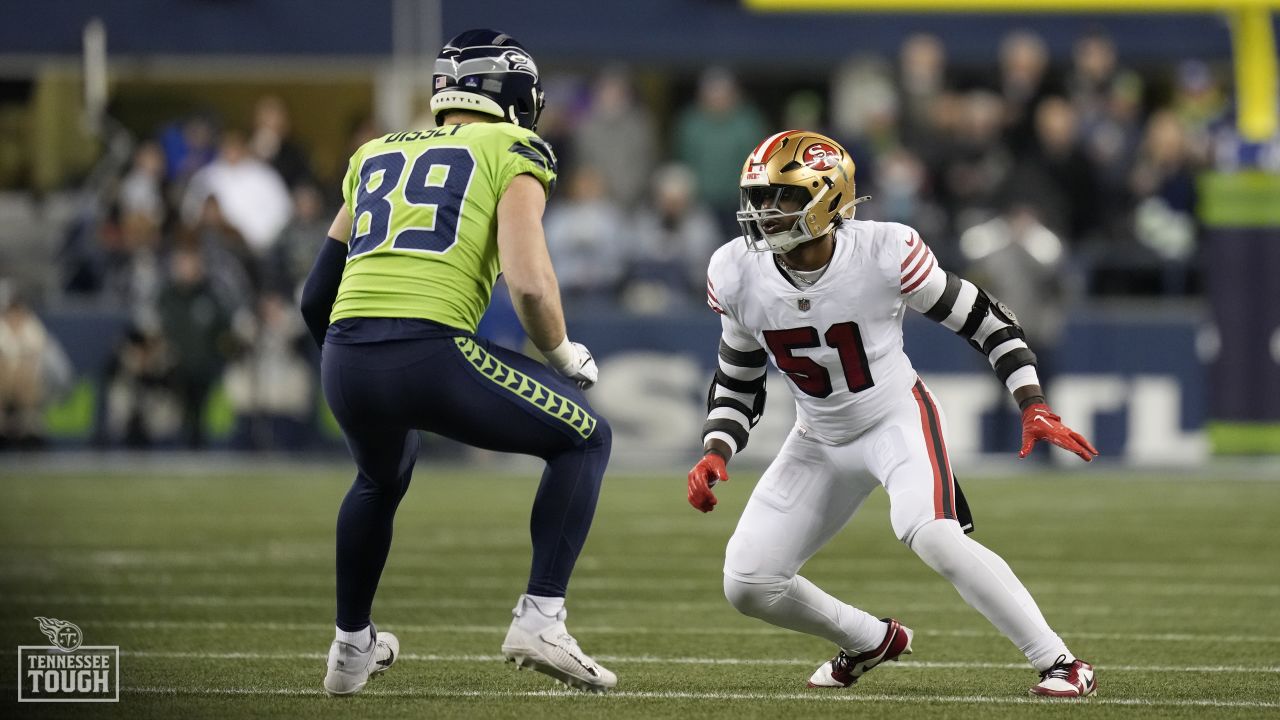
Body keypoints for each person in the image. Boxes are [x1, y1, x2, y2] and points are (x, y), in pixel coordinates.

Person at [685, 130, 1099, 698]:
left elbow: (984, 318)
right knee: (748, 583)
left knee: (933, 535)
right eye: (757, 197)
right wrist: (716, 449)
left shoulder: (883, 250)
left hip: (893, 419)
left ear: (827, 199)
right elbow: (738, 374)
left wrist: (1032, 402)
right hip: (816, 436)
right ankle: (869, 639)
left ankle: (1062, 662)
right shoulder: (736, 270)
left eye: (780, 197)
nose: (763, 212)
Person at [299, 29, 616, 696]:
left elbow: (313, 297)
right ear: (507, 95)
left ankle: (351, 647)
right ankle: (541, 618)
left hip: (346, 356)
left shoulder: (374, 151)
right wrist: (561, 352)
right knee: (586, 437)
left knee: (378, 480)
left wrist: (354, 360)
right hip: (429, 347)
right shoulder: (513, 145)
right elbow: (530, 283)